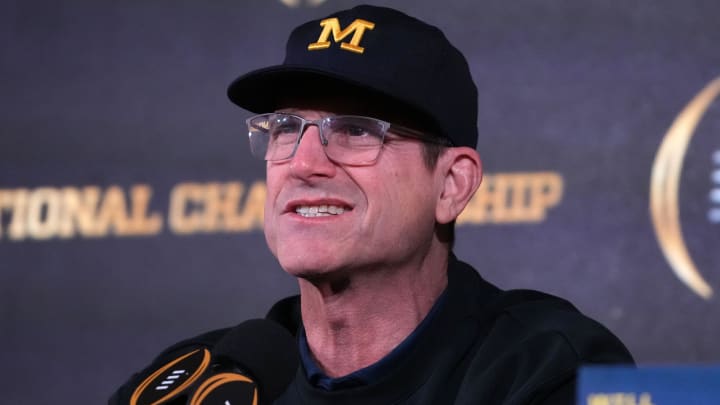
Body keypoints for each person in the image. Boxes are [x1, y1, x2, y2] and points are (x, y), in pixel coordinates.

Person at [112, 4, 633, 404]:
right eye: (286, 128)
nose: (303, 162)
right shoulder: (198, 382)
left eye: (356, 131)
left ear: (452, 183)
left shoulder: (547, 370)